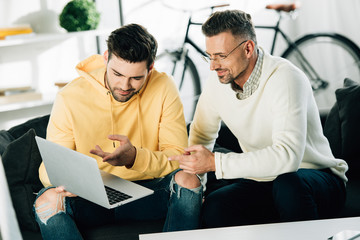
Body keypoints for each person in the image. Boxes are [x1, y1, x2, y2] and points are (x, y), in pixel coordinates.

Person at [169, 10, 348, 228]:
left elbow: (287, 157)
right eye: (210, 56)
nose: (213, 66)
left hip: (315, 178)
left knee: (288, 185)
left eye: (221, 56)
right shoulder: (217, 82)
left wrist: (216, 162)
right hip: (265, 180)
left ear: (248, 48)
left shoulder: (286, 77)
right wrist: (198, 188)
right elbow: (201, 136)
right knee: (216, 206)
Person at [33, 23, 203, 239]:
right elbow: (51, 164)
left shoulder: (164, 86)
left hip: (148, 192)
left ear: (150, 69)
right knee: (46, 201)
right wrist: (67, 180)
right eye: (117, 74)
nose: (124, 85)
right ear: (106, 57)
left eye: (136, 78)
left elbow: (179, 158)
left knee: (188, 181)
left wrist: (135, 158)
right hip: (91, 197)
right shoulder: (70, 96)